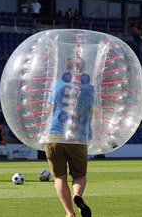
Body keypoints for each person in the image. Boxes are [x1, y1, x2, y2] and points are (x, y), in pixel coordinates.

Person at [45, 57, 95, 217]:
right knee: (79, 175)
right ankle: (77, 195)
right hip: (77, 136)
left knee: (60, 177)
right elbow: (94, 113)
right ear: (84, 69)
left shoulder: (57, 85)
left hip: (54, 135)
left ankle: (69, 213)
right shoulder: (88, 88)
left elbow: (48, 110)